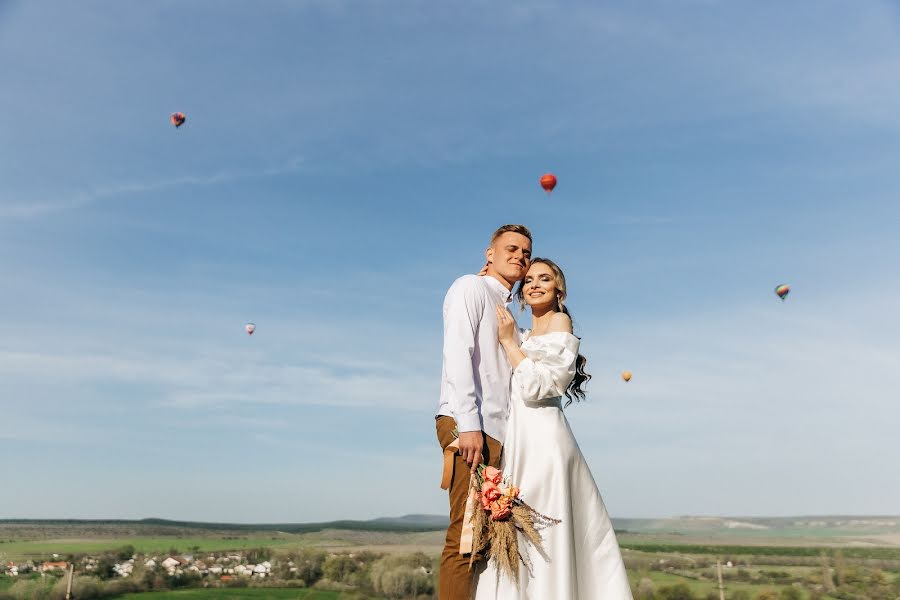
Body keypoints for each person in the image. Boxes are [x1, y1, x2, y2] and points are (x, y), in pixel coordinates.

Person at [473, 258, 633, 600]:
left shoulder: (560, 323)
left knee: (545, 529)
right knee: (521, 529)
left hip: (545, 442)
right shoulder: (526, 333)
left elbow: (538, 387)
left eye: (544, 278)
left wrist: (510, 344)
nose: (534, 284)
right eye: (528, 279)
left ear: (558, 288)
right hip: (519, 438)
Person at [435, 224, 533, 600]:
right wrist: (469, 425)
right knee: (465, 538)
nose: (519, 256)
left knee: (486, 542)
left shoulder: (507, 312)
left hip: (497, 431)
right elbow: (458, 354)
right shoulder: (469, 287)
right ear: (489, 254)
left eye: (526, 252)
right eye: (511, 248)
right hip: (469, 424)